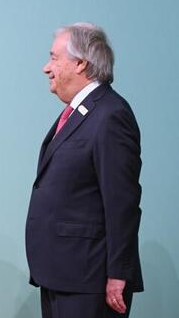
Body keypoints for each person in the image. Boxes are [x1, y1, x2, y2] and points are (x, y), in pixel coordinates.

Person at [26, 23, 143, 318]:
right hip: (61, 274)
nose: (46, 68)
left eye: (54, 58)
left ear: (80, 63)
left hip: (89, 279)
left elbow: (122, 202)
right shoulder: (80, 112)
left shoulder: (110, 115)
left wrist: (119, 273)